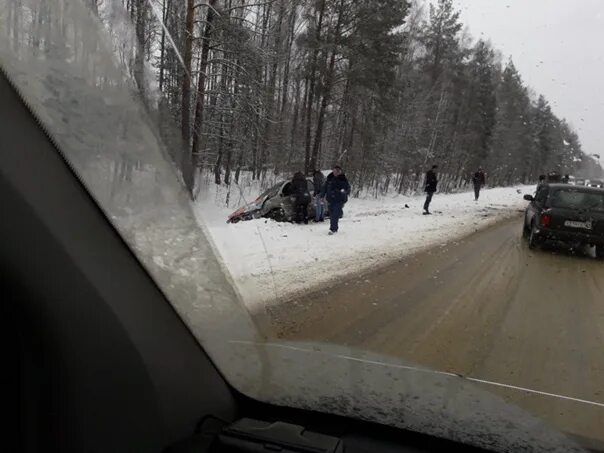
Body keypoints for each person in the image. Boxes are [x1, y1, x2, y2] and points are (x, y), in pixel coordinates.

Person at [321, 165, 350, 235]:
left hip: (339, 199)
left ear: (339, 172)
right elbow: (325, 187)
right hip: (330, 199)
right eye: (334, 171)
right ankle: (333, 227)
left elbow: (347, 188)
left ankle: (333, 229)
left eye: (336, 171)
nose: (335, 173)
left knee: (335, 214)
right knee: (331, 214)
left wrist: (344, 192)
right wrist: (322, 196)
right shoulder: (329, 178)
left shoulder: (343, 179)